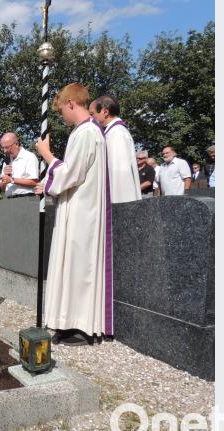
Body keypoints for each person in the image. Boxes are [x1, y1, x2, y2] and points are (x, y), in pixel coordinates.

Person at [33, 82, 110, 346]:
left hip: (82, 212)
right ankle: (68, 322)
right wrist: (49, 184)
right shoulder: (86, 132)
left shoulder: (87, 132)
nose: (61, 117)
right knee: (73, 265)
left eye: (61, 111)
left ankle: (81, 325)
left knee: (78, 266)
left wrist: (46, 155)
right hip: (78, 207)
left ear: (70, 104)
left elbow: (71, 173)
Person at [89, 96, 141, 203]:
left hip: (118, 200)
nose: (90, 119)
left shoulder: (116, 133)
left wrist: (116, 205)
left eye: (92, 114)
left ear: (105, 112)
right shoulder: (111, 132)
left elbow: (120, 174)